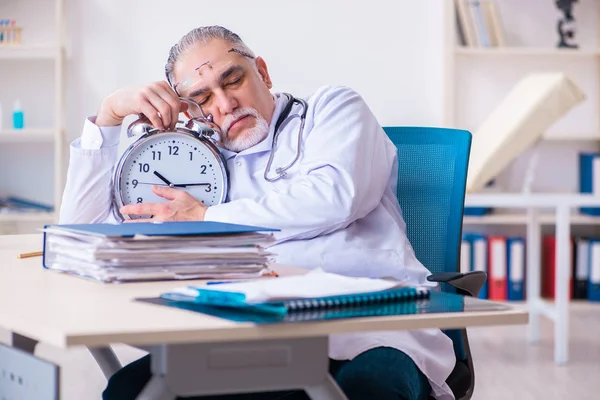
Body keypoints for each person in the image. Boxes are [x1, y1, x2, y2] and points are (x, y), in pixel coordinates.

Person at [59, 26, 456, 400]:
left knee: (370, 387)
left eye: (233, 80)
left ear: (262, 72)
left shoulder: (330, 111)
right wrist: (109, 116)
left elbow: (335, 197)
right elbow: (82, 237)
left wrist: (204, 219)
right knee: (129, 390)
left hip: (371, 332)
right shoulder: (194, 163)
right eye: (202, 98)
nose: (225, 103)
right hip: (252, 340)